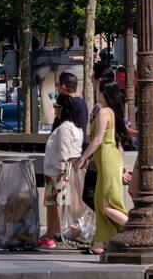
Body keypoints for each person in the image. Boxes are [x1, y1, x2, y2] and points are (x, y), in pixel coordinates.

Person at [75, 78, 129, 255]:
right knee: (99, 203)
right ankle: (100, 244)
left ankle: (134, 229)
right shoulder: (111, 112)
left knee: (107, 204)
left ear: (104, 93)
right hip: (108, 159)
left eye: (98, 91)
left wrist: (83, 158)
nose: (96, 93)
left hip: (106, 160)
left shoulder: (104, 112)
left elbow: (97, 140)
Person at [40, 90, 85, 248]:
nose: (55, 109)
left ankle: (51, 234)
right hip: (68, 172)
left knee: (53, 204)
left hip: (57, 173)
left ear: (63, 108)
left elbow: (63, 152)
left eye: (57, 106)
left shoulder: (64, 128)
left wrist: (60, 173)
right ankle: (55, 233)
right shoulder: (76, 128)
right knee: (60, 204)